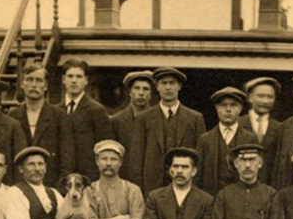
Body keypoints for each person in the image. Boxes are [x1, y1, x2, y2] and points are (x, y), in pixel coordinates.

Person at [129, 67, 206, 196]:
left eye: (172, 83)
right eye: (164, 83)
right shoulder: (144, 118)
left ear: (179, 86)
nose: (168, 87)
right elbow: (136, 159)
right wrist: (138, 192)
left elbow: (200, 157)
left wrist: (196, 188)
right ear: (157, 87)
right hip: (152, 188)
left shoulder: (195, 118)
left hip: (186, 186)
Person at [9, 63, 75, 188]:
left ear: (45, 86)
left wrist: (60, 189)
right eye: (29, 79)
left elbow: (67, 157)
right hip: (20, 186)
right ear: (22, 84)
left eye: (39, 80)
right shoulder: (13, 116)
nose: (34, 85)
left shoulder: (59, 115)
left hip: (51, 184)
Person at [84, 140, 147, 219]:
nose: (108, 163)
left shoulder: (132, 190)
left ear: (120, 162)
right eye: (104, 159)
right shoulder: (88, 191)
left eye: (113, 159)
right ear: (97, 161)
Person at [195, 86, 258, 196]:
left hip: (241, 200)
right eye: (223, 105)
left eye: (233, 105)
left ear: (240, 108)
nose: (228, 109)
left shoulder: (250, 138)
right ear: (216, 108)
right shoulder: (205, 139)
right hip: (212, 200)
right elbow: (197, 175)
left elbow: (257, 174)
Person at [57, 59, 114, 181]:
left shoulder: (96, 110)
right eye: (70, 76)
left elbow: (104, 147)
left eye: (78, 76)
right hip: (61, 178)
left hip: (87, 178)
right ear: (63, 79)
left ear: (86, 80)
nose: (74, 80)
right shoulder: (56, 110)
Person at [239, 77, 283, 186]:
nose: (265, 101)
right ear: (249, 97)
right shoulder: (237, 124)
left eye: (270, 97)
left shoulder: (281, 128)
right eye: (261, 96)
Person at [110, 71, 154, 179]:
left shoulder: (158, 119)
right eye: (137, 88)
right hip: (124, 178)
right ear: (130, 92)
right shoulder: (117, 120)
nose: (141, 93)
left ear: (151, 93)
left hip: (150, 179)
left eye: (145, 89)